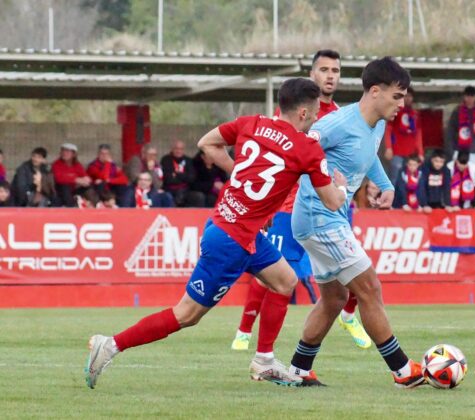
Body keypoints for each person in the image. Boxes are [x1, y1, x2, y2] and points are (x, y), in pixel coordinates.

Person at [84, 77, 348, 389]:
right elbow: (332, 202)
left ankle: (264, 361)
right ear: (303, 113)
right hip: (232, 240)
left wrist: (242, 177)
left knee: (285, 281)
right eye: (316, 112)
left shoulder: (252, 123)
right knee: (186, 314)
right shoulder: (307, 148)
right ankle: (111, 345)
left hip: (230, 227)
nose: (317, 117)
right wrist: (342, 187)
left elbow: (207, 143)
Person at [277, 57, 425, 389]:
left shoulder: (379, 123)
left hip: (328, 217)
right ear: (375, 91)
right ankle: (403, 371)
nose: (402, 104)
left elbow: (368, 156)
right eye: (397, 96)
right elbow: (298, 148)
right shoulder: (337, 124)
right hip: (319, 216)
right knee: (370, 287)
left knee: (335, 298)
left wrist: (385, 185)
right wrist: (324, 177)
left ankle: (298, 370)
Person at [231, 49, 372, 356]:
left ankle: (348, 315)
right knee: (274, 272)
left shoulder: (343, 116)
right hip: (288, 206)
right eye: (324, 70)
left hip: (331, 204)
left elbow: (358, 153)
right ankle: (246, 330)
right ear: (312, 75)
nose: (330, 75)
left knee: (358, 268)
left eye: (335, 70)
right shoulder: (295, 111)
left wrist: (371, 184)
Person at [383, 87, 423, 183]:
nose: (407, 98)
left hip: (411, 154)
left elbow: (418, 134)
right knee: (394, 179)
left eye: (410, 96)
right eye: (405, 96)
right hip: (397, 152)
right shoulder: (395, 111)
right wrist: (388, 147)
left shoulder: (415, 114)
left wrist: (420, 153)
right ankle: (392, 198)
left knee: (410, 180)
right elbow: (388, 130)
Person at [446, 85, 475, 169]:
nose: (470, 99)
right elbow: (450, 134)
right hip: (459, 152)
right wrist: (452, 152)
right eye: (467, 96)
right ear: (464, 97)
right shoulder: (456, 113)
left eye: (472, 96)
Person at [161, 140, 205, 207]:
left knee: (199, 196)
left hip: (185, 190)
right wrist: (184, 176)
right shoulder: (166, 160)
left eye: (181, 149)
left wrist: (177, 174)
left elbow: (192, 179)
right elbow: (168, 179)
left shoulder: (188, 160)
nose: (178, 151)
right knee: (168, 197)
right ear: (172, 149)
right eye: (176, 148)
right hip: (170, 190)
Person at [51, 143, 92, 207]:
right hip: (61, 190)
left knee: (89, 187)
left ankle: (95, 205)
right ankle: (71, 207)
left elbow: (84, 175)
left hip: (74, 189)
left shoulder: (77, 165)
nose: (64, 153)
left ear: (73, 154)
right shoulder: (56, 164)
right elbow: (59, 178)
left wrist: (86, 179)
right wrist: (75, 179)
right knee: (65, 187)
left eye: (67, 152)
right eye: (63, 151)